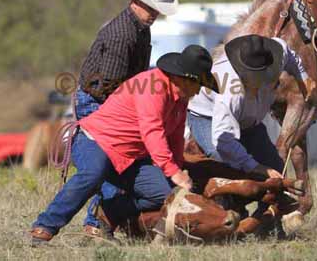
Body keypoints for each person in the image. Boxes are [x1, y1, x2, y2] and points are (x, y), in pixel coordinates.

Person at [30, 45, 218, 244]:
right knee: (93, 174)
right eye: (198, 84)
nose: (199, 91)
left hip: (130, 156)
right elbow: (152, 131)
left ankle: (107, 212)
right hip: (95, 141)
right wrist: (172, 171)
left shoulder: (180, 97)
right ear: (183, 78)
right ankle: (44, 227)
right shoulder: (153, 87)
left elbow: (176, 137)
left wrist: (178, 167)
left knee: (164, 195)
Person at [75, 0, 178, 235]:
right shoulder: (122, 35)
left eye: (157, 8)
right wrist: (130, 116)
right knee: (113, 159)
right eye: (150, 7)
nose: (154, 13)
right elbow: (109, 86)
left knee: (120, 162)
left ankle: (105, 218)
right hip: (100, 101)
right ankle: (97, 222)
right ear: (135, 1)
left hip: (113, 98)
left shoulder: (140, 28)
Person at [188, 34, 316, 182]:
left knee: (275, 165)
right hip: (206, 116)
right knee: (223, 163)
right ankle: (227, 203)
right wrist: (256, 167)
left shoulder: (277, 55)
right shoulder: (230, 92)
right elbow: (223, 141)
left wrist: (304, 77)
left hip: (248, 122)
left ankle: (269, 205)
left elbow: (289, 53)